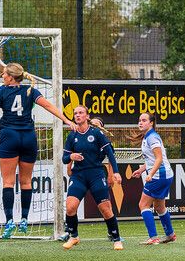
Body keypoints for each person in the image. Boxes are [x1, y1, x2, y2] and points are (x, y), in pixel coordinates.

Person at [0, 62, 74, 238]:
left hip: (9, 137)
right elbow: (49, 106)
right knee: (26, 181)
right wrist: (67, 121)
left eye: (4, 74)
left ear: (11, 77)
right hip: (28, 138)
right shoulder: (31, 91)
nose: (2, 76)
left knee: (8, 183)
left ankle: (9, 221)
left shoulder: (2, 92)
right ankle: (25, 219)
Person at [61, 105, 124, 250]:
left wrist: (115, 172)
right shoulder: (72, 136)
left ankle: (116, 238)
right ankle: (74, 236)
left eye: (81, 113)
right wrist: (71, 156)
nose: (77, 115)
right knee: (70, 207)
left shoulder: (96, 133)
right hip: (79, 176)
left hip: (96, 174)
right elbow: (64, 158)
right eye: (75, 113)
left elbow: (110, 153)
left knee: (105, 209)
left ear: (87, 116)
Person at [128, 113, 176, 245]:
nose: (140, 123)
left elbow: (159, 158)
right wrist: (142, 170)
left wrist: (150, 174)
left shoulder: (152, 137)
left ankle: (153, 237)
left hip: (159, 176)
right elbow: (151, 160)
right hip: (165, 175)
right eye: (139, 120)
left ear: (151, 123)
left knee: (143, 205)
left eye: (144, 120)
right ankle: (170, 234)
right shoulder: (148, 137)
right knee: (159, 207)